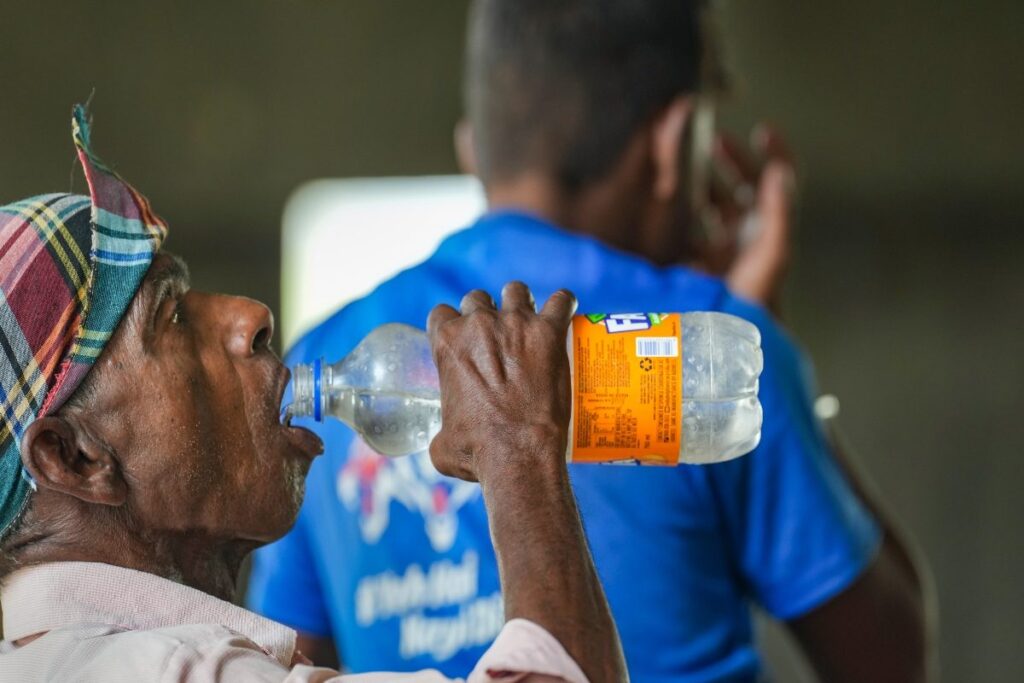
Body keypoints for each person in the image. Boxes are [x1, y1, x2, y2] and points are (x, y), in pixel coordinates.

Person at [249, 1, 932, 681]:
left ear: (473, 147)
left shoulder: (329, 359)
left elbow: (291, 663)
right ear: (674, 141)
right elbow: (890, 660)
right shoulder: (697, 338)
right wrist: (767, 342)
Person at [0, 106, 627, 683]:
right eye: (173, 319)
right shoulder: (171, 672)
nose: (251, 316)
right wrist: (518, 446)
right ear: (71, 457)